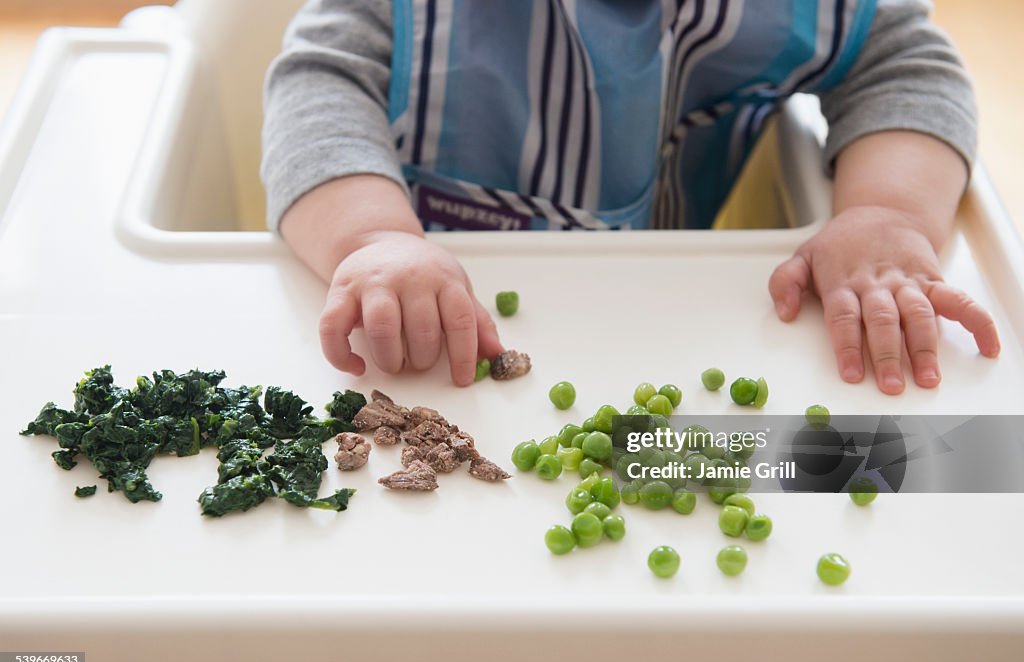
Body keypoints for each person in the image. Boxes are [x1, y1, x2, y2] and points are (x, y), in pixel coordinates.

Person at [261, 0, 1000, 391]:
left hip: (659, 315)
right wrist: (370, 238)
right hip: (422, 329)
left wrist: (887, 213)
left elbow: (904, 65)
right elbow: (318, 85)